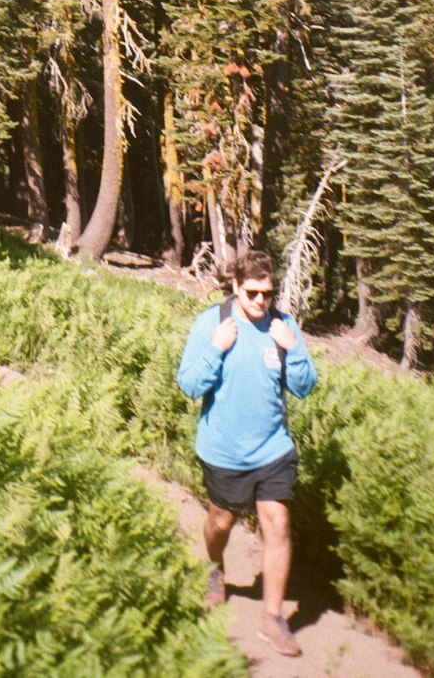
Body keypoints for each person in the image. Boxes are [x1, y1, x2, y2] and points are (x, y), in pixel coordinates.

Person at [177, 249, 317, 659]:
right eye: (252, 293)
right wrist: (216, 349)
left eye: (267, 294)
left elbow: (306, 387)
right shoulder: (212, 323)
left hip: (273, 448)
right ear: (236, 287)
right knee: (221, 522)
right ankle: (214, 569)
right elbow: (188, 384)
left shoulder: (283, 326)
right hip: (224, 451)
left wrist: (294, 350)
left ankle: (273, 618)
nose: (260, 302)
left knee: (278, 522)